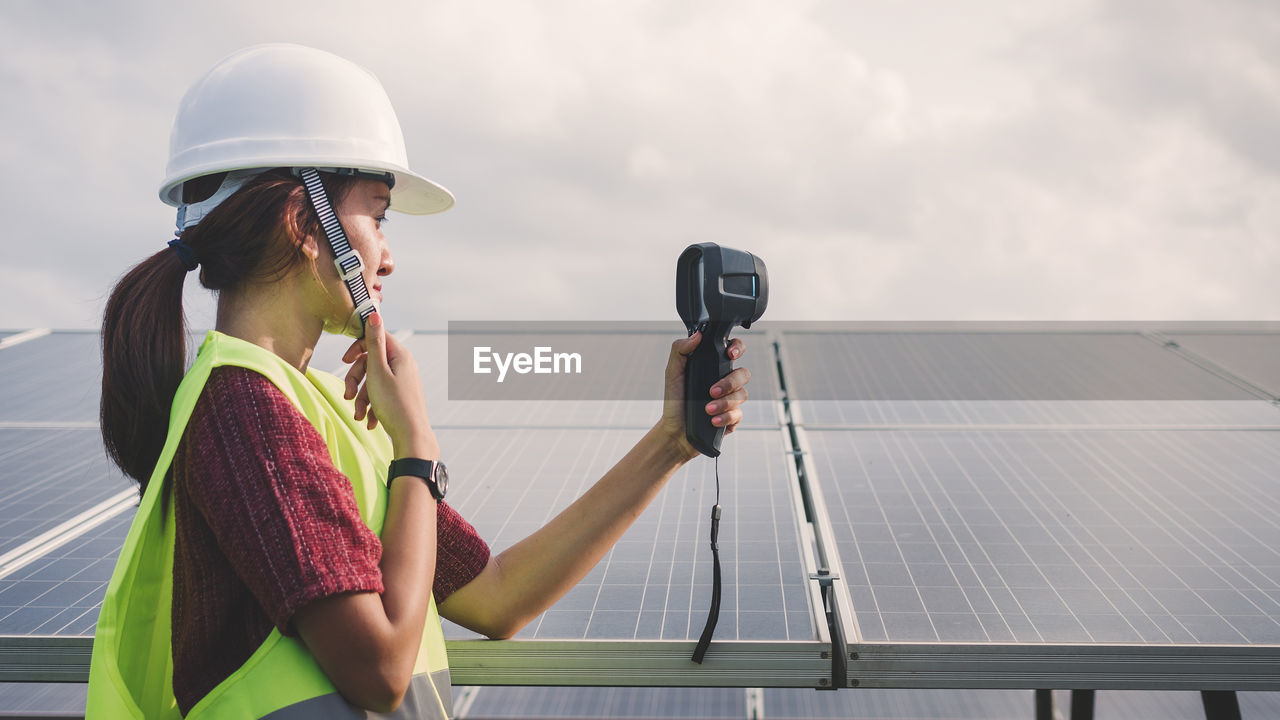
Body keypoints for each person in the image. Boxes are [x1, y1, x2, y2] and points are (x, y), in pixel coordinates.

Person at [87, 44, 750, 719]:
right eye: (375, 217)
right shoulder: (244, 412)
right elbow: (380, 670)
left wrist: (672, 440)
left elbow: (497, 596)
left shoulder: (308, 412)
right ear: (302, 225)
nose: (388, 256)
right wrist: (418, 447)